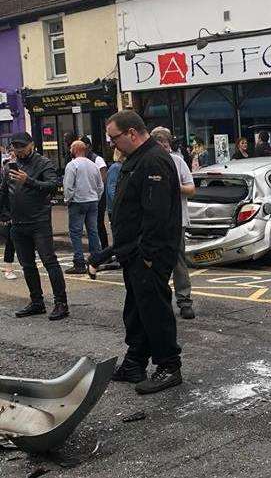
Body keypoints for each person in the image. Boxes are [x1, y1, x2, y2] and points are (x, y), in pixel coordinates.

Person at [106, 110, 183, 395]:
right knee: (137, 309)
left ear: (132, 133)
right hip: (134, 252)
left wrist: (148, 254)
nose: (112, 144)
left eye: (115, 138)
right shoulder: (137, 158)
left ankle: (169, 366)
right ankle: (135, 362)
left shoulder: (153, 160)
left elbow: (157, 214)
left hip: (149, 253)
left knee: (155, 310)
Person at [0, 132, 68, 320]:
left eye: (22, 147)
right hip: (18, 223)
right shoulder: (9, 167)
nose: (19, 151)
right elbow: (3, 191)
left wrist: (28, 181)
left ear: (31, 145)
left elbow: (53, 186)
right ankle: (36, 301)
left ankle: (61, 303)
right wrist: (3, 213)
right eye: (15, 147)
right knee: (27, 264)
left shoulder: (43, 163)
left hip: (39, 221)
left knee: (49, 261)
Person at [151, 126, 197, 320]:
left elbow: (191, 189)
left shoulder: (178, 162)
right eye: (159, 143)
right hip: (154, 221)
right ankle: (159, 303)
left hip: (177, 221)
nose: (164, 146)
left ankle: (184, 301)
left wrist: (173, 186)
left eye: (166, 142)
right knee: (155, 262)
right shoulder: (149, 162)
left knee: (178, 261)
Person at [64, 140, 104, 274]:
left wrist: (68, 199)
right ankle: (96, 260)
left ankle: (79, 263)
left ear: (75, 150)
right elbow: (100, 186)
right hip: (92, 201)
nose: (69, 150)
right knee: (93, 231)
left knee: (76, 233)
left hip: (77, 202)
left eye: (70, 148)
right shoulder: (93, 165)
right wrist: (96, 197)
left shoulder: (72, 165)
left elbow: (68, 186)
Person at [82, 136, 110, 250]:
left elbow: (103, 177)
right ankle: (95, 249)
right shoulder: (81, 159)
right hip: (88, 196)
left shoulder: (97, 159)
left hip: (98, 196)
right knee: (90, 224)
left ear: (88, 146)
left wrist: (97, 192)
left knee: (98, 223)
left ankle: (104, 248)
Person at [0, 149, 17, 280]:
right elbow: (4, 193)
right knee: (11, 240)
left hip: (20, 210)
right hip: (10, 210)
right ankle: (8, 267)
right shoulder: (7, 169)